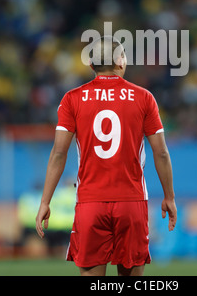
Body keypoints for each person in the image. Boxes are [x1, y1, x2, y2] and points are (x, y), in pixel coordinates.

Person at [36, 36, 177, 276]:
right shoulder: (144, 98)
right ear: (121, 62)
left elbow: (59, 153)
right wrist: (169, 196)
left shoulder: (72, 99)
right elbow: (161, 153)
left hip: (90, 202)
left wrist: (45, 201)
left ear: (91, 65)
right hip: (131, 201)